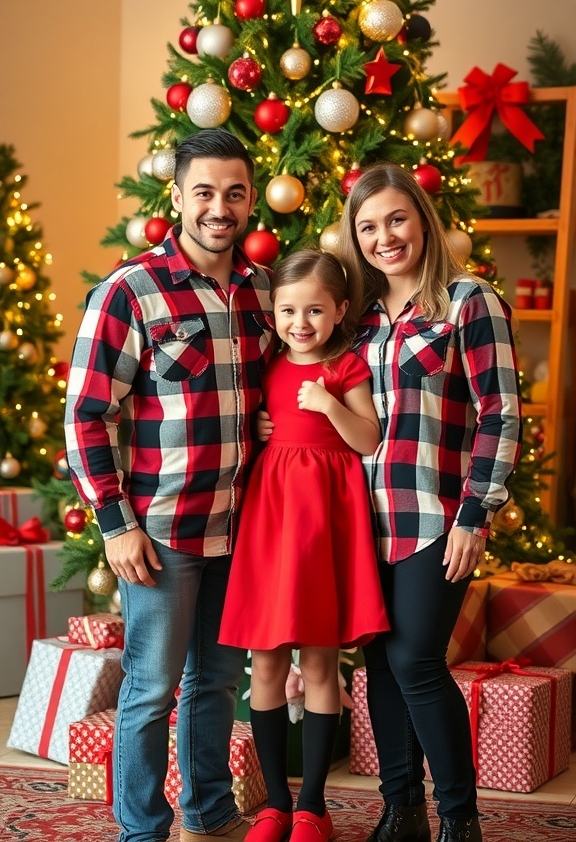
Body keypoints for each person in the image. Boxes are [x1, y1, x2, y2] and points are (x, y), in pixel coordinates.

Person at [64, 128, 275, 842]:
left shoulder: (262, 293)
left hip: (240, 527)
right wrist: (116, 525)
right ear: (178, 195)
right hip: (161, 532)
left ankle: (210, 815)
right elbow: (87, 416)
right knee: (152, 691)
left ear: (250, 201)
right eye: (206, 192)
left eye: (235, 193)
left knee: (215, 684)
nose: (221, 207)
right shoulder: (131, 292)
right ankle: (142, 831)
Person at [337, 164, 522, 842]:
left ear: (421, 219)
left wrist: (478, 513)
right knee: (379, 661)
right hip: (364, 522)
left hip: (435, 518)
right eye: (368, 227)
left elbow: (500, 414)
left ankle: (459, 819)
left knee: (416, 659)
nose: (384, 237)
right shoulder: (358, 321)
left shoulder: (469, 302)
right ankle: (400, 809)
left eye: (396, 219)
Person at [219, 250, 389, 842]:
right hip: (270, 521)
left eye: (315, 310)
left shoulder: (348, 368)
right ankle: (273, 804)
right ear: (274, 312)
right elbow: (246, 418)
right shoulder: (266, 363)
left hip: (323, 526)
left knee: (318, 661)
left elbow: (367, 439)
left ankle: (313, 807)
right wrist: (261, 427)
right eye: (288, 309)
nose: (300, 322)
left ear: (340, 310)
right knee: (264, 659)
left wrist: (329, 405)